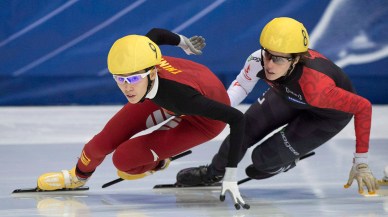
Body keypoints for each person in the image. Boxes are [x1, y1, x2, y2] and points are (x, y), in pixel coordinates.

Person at [36, 28, 249, 209]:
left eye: (134, 78)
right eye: (120, 79)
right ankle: (77, 178)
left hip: (203, 119)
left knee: (125, 162)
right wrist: (184, 43)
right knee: (99, 144)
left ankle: (159, 161)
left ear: (153, 73)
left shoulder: (181, 96)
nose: (127, 87)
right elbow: (156, 34)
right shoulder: (142, 58)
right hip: (166, 92)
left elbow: (237, 119)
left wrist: (230, 175)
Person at [177, 17, 379, 195]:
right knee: (243, 130)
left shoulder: (317, 86)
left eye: (279, 58)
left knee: (261, 162)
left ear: (296, 59)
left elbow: (363, 107)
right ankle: (213, 173)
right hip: (287, 96)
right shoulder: (258, 60)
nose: (270, 65)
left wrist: (360, 162)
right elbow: (241, 87)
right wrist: (213, 111)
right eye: (268, 54)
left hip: (326, 116)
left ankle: (285, 160)